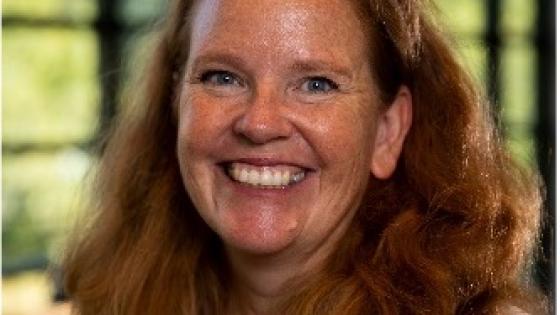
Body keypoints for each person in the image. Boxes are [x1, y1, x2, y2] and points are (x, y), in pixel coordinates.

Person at [62, 0, 547, 314]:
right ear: (175, 104)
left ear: (387, 131)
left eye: (316, 84)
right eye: (221, 77)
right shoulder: (110, 303)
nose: (260, 123)